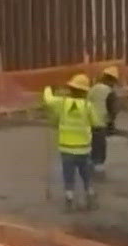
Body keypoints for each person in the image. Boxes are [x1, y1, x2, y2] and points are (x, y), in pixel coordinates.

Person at [41, 73, 105, 211]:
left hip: (66, 149)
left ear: (71, 89)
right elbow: (97, 123)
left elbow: (48, 99)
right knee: (86, 174)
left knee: (68, 175)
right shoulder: (88, 106)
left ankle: (69, 199)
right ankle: (90, 195)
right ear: (85, 92)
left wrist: (48, 87)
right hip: (83, 149)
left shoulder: (62, 103)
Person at [87, 66, 121, 176]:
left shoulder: (93, 88)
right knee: (100, 147)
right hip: (101, 124)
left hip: (88, 123)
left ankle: (89, 165)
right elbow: (113, 110)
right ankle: (98, 167)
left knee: (90, 145)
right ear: (112, 80)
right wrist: (111, 124)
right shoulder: (109, 92)